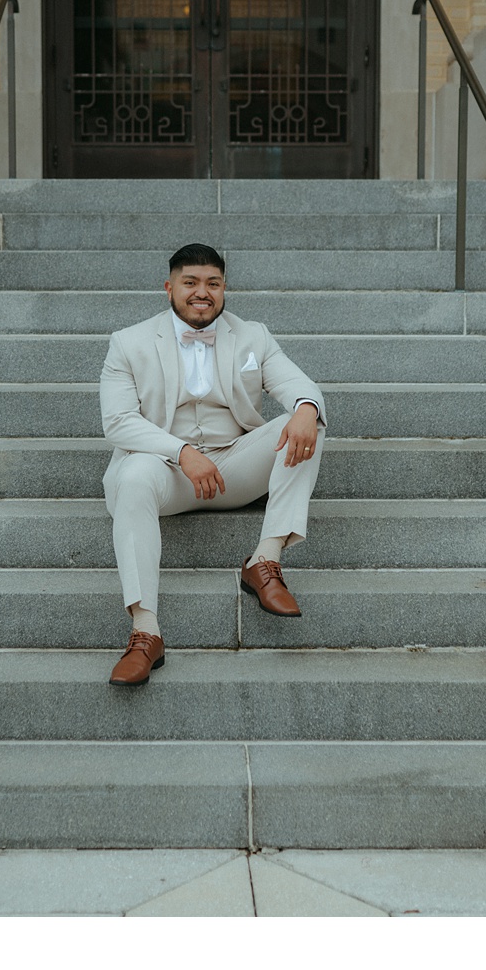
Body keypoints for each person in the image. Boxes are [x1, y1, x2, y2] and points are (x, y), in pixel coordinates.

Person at [99, 243, 326, 686]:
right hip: (166, 472)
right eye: (191, 282)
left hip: (233, 469)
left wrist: (304, 407)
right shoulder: (128, 343)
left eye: (213, 283)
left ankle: (264, 560)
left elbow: (301, 385)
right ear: (169, 288)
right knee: (133, 475)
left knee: (309, 424)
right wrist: (182, 453)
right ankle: (146, 631)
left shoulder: (253, 335)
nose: (202, 292)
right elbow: (119, 423)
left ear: (224, 289)